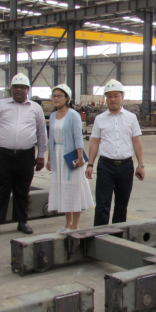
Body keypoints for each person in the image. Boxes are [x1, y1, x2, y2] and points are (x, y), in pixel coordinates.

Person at [0, 73, 48, 238]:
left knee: (22, 190)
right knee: (0, 190)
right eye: (15, 87)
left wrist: (41, 155)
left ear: (28, 90)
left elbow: (41, 132)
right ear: (11, 89)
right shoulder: (0, 105)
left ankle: (22, 221)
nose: (18, 90)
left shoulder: (35, 108)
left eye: (22, 87)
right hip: (3, 154)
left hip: (26, 156)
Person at [86, 80, 145, 226]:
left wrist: (141, 165)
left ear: (122, 97)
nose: (112, 99)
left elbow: (136, 141)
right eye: (109, 96)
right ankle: (100, 235)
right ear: (106, 98)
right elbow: (94, 142)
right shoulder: (99, 119)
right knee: (102, 204)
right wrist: (90, 164)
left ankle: (118, 235)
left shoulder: (131, 118)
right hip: (105, 166)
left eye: (116, 96)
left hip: (126, 167)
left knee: (121, 205)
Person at [46, 84, 94, 233]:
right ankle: (68, 223)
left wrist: (80, 157)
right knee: (63, 189)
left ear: (67, 98)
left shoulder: (73, 115)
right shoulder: (53, 116)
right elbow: (51, 139)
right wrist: (49, 158)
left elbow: (78, 137)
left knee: (73, 189)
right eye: (54, 96)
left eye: (59, 96)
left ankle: (75, 225)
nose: (56, 98)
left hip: (71, 155)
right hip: (57, 154)